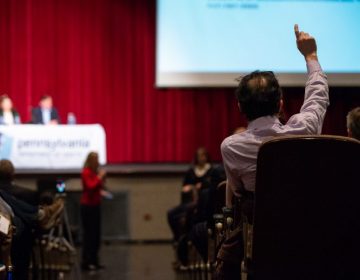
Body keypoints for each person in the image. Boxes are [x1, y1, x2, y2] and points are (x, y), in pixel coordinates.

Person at [216, 24, 329, 279]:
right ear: (280, 104)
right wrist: (310, 56)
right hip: (310, 241)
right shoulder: (305, 129)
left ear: (240, 107)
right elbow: (317, 98)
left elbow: (234, 194)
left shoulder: (232, 147)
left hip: (260, 248)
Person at [0, 159, 64, 280]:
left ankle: (40, 214)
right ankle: (40, 214)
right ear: (12, 174)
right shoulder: (28, 194)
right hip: (17, 233)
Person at [167, 147, 213, 244]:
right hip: (189, 201)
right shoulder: (191, 171)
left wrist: (201, 186)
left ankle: (187, 240)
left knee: (188, 214)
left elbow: (211, 186)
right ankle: (178, 238)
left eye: (204, 155)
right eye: (200, 156)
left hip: (202, 203)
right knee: (171, 213)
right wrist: (192, 187)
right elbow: (184, 187)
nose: (202, 158)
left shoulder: (211, 170)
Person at [80, 152, 110, 271]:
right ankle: (87, 262)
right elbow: (90, 186)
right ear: (91, 160)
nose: (98, 162)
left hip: (95, 205)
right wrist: (99, 177)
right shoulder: (86, 172)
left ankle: (94, 260)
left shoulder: (94, 172)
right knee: (89, 236)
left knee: (96, 236)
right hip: (88, 207)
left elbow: (99, 186)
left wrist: (102, 180)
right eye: (96, 160)